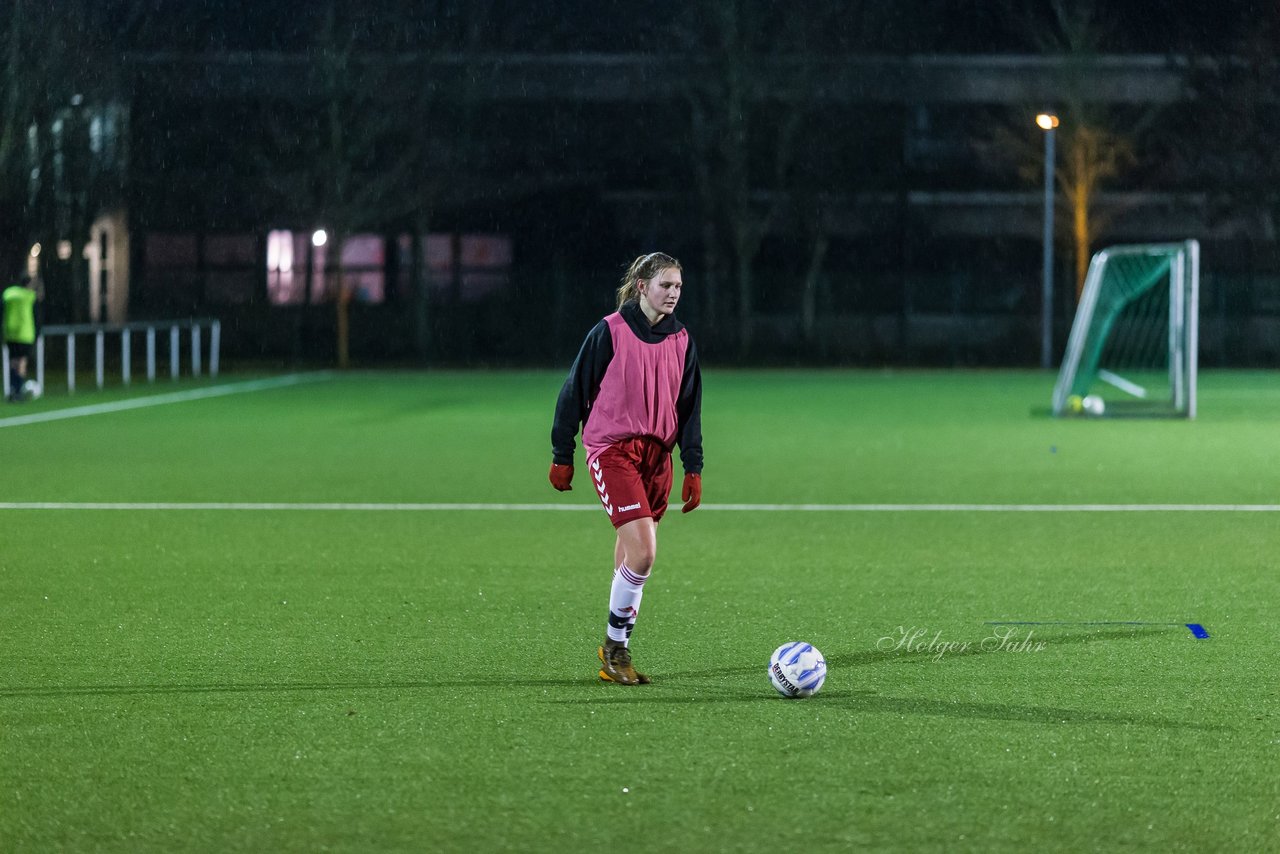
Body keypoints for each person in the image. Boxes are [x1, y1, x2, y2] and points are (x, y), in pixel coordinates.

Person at [550, 251, 703, 685]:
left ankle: (613, 642)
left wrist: (692, 466)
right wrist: (563, 454)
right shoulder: (610, 332)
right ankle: (617, 648)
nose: (673, 294)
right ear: (642, 287)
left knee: (632, 556)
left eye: (677, 286)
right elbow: (573, 392)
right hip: (612, 450)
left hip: (658, 459)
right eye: (665, 285)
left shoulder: (683, 341)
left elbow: (690, 409)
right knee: (644, 554)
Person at [2, 275, 40, 403]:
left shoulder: (9, 294)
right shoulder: (30, 297)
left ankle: (12, 389)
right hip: (25, 335)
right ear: (29, 285)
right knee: (21, 363)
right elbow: (37, 316)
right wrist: (38, 332)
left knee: (13, 362)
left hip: (10, 334)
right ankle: (18, 391)